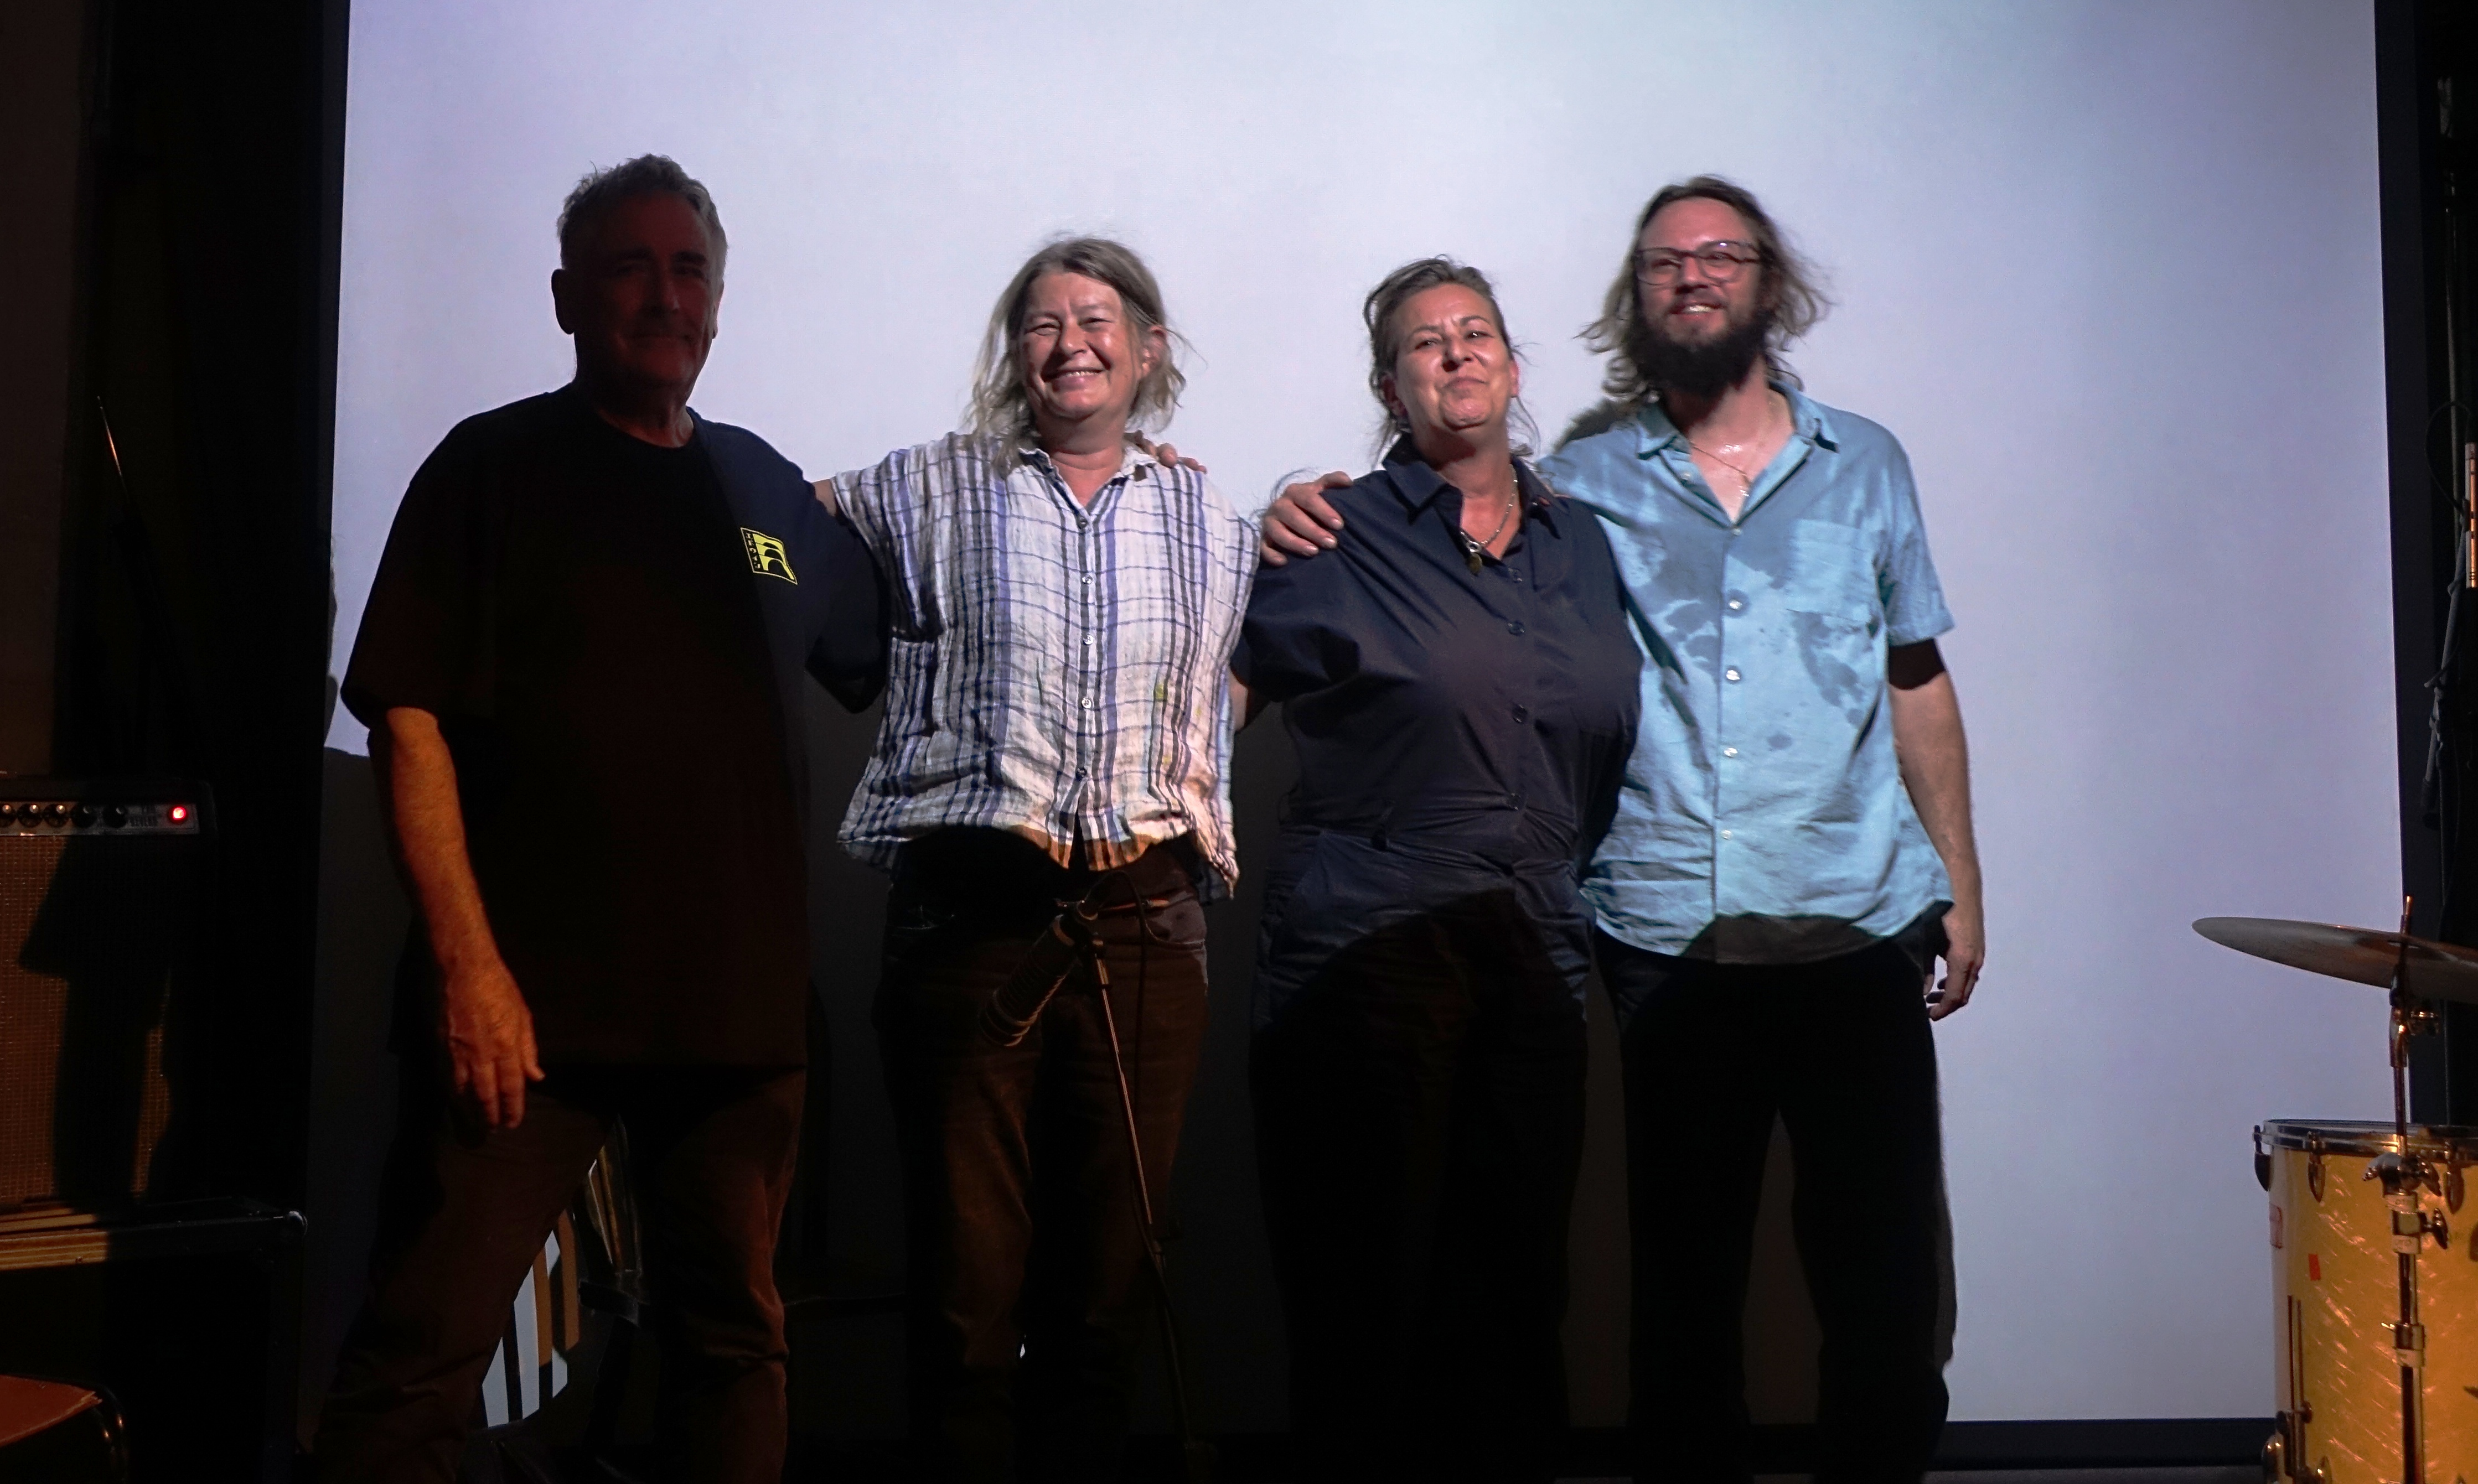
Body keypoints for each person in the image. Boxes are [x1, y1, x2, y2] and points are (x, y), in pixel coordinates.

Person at [1262, 177, 1984, 1484]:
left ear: (1770, 280)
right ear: (1633, 298)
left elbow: (1913, 674)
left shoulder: (1867, 462)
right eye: (1663, 263)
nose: (1692, 277)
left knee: (1882, 1287)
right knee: (1680, 1297)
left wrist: (1964, 881)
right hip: (1662, 938)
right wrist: (1284, 505)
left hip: (1857, 918)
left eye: (1721, 255)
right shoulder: (1582, 487)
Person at [314, 155, 884, 1484]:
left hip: (735, 1025)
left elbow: (891, 626)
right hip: (531, 1013)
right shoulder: (493, 467)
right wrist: (467, 968)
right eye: (631, 266)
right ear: (568, 296)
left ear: (719, 306)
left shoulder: (764, 491)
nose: (664, 294)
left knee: (735, 1351)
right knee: (419, 1357)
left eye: (689, 270)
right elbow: (408, 721)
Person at [813, 236, 1256, 1483]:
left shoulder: (1211, 516)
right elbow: (781, 518)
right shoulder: (928, 484)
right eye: (1043, 323)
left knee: (1109, 1278)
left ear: (1149, 347)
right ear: (1017, 353)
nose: (1071, 342)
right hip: (972, 921)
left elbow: (1237, 680)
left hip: (1145, 925)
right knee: (965, 1287)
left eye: (1098, 318)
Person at [1232, 258, 1639, 1482]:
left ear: (1514, 369)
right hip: (1360, 976)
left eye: (1476, 335)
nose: (1456, 354)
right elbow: (1197, 711)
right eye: (1425, 343)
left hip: (1531, 969)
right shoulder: (1330, 532)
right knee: (1366, 1323)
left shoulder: (1586, 550)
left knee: (1514, 1317)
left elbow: (1612, 744)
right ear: (1389, 383)